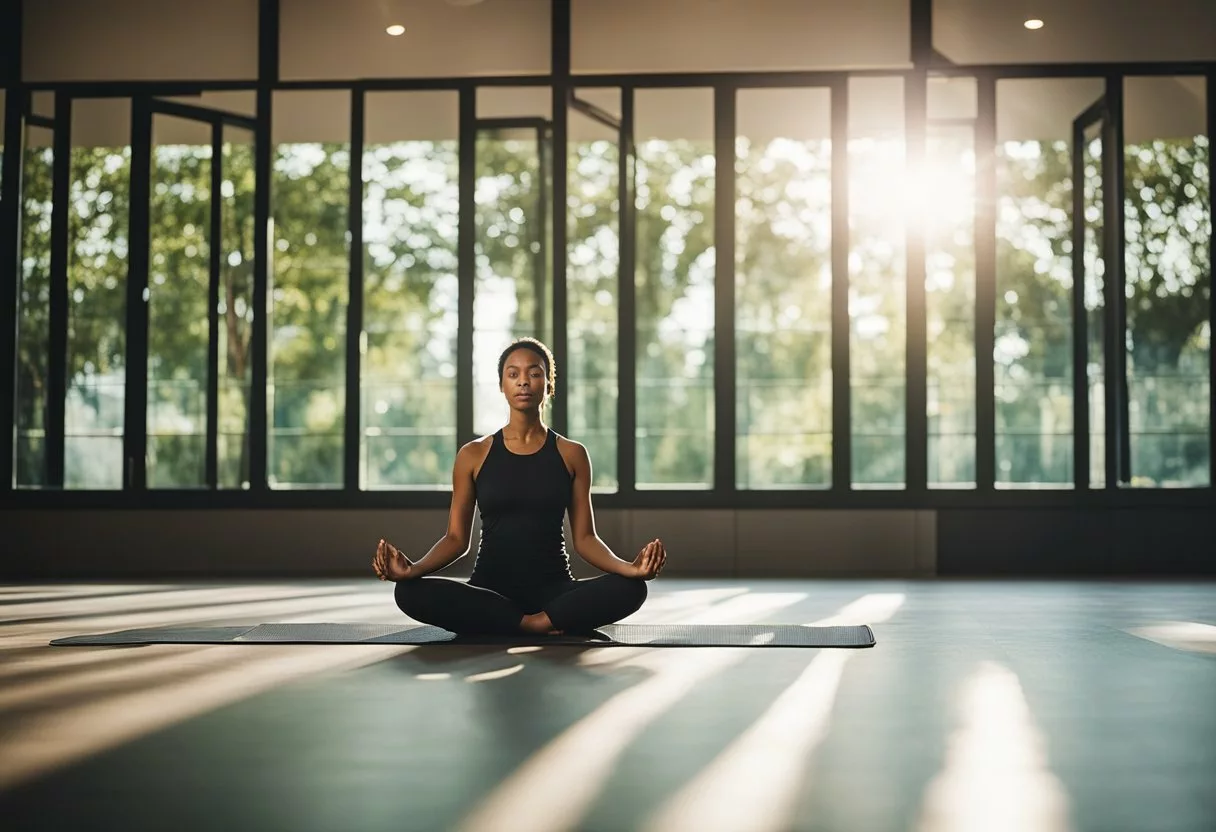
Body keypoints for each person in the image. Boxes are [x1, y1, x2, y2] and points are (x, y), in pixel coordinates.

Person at [372, 337, 667, 635]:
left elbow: (586, 539)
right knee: (407, 592)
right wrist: (413, 569)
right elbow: (456, 539)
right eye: (513, 374)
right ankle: (535, 623)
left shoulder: (572, 454)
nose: (523, 382)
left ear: (548, 384)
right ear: (502, 385)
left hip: (554, 591)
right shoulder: (473, 454)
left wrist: (630, 569)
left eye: (534, 373)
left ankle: (525, 622)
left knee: (632, 589)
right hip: (489, 591)